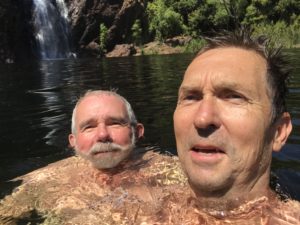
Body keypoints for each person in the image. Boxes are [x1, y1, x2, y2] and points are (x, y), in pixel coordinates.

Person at [153, 28, 300, 224]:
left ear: (279, 132)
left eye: (233, 97)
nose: (203, 119)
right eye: (191, 97)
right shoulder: (127, 208)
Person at [0, 90, 186, 224]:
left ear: (137, 132)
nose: (103, 135)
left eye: (114, 123)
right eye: (89, 127)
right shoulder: (40, 182)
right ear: (73, 140)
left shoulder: (179, 173)